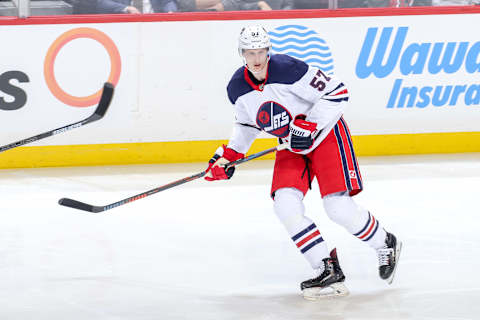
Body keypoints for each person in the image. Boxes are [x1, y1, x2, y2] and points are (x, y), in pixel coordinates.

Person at [204, 25, 402, 300]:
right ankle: (326, 266)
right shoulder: (237, 88)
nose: (257, 58)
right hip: (289, 145)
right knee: (285, 205)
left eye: (261, 51)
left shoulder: (289, 69)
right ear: (242, 54)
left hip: (326, 135)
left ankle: (385, 242)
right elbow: (246, 125)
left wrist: (309, 125)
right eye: (251, 53)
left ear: (268, 50)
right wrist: (229, 156)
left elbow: (337, 92)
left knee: (337, 207)